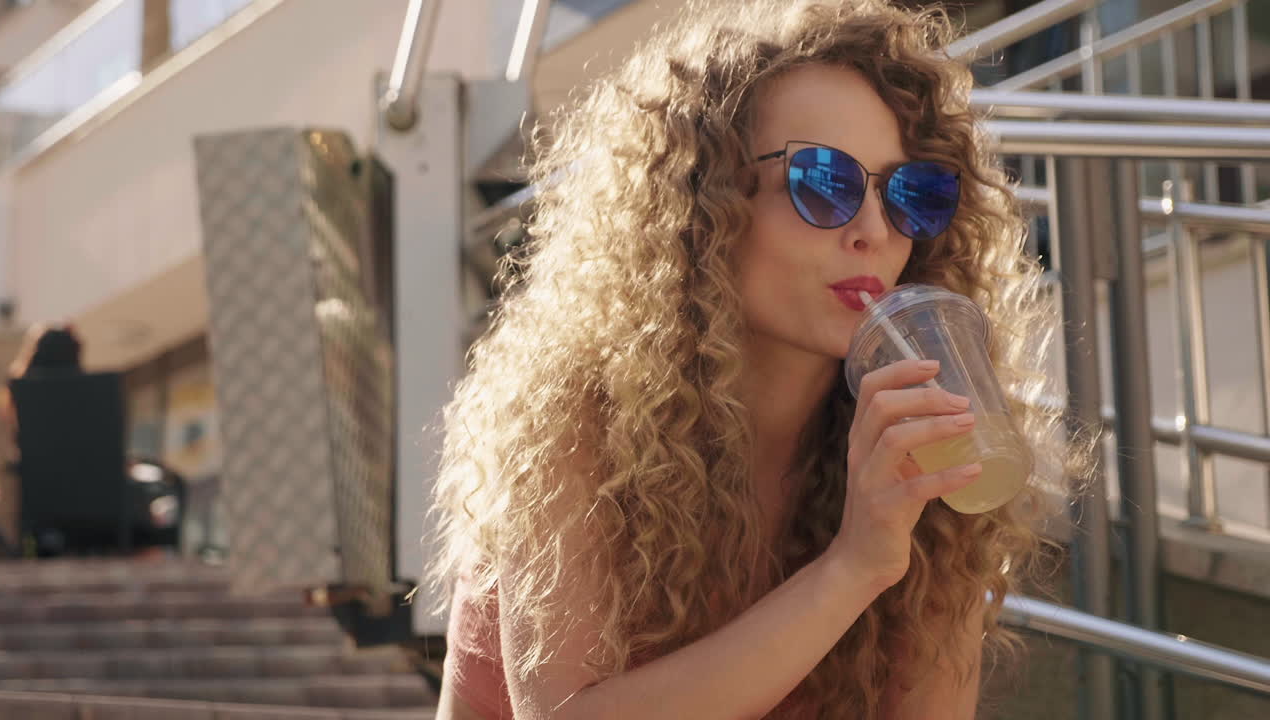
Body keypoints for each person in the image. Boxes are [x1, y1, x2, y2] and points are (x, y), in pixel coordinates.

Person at [426, 1, 1098, 718]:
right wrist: (854, 567)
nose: (875, 230)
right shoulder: (573, 414)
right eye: (825, 184)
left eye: (911, 194)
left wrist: (892, 542)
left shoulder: (915, 441)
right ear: (699, 205)